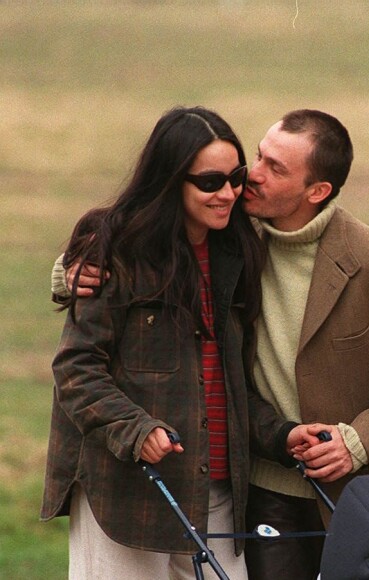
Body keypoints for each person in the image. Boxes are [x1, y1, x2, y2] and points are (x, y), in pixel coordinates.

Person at [51, 109, 369, 580]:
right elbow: (88, 345)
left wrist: (358, 440)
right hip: (242, 486)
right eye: (257, 159)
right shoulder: (225, 236)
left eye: (269, 170)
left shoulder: (368, 257)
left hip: (348, 487)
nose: (247, 182)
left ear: (317, 191)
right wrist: (71, 274)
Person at [41, 105, 270, 580]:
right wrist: (136, 430)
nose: (227, 193)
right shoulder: (113, 247)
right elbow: (76, 369)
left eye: (237, 177)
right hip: (124, 492)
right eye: (210, 182)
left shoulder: (240, 249)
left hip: (219, 488)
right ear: (170, 181)